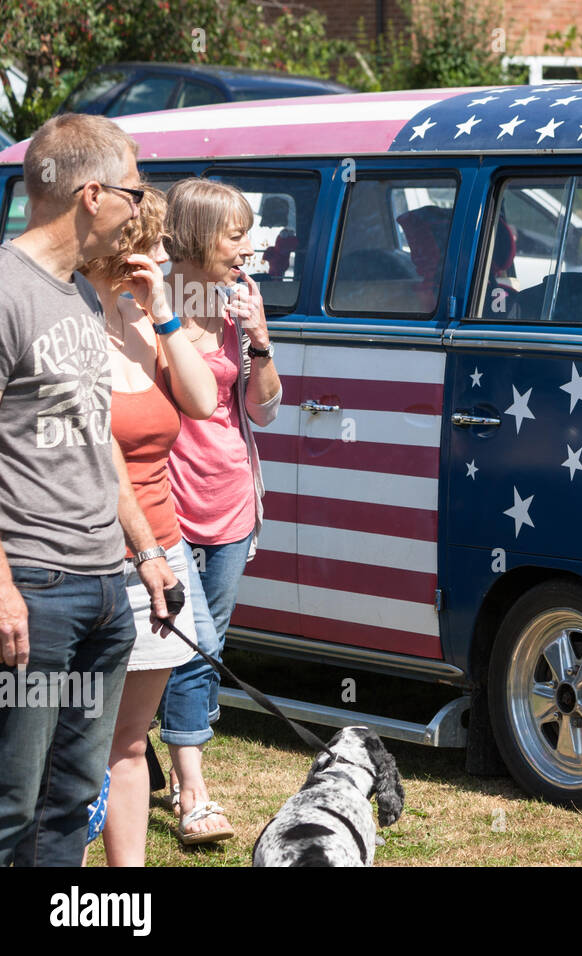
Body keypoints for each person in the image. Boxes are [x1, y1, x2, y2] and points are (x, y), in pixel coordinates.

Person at [0, 114, 172, 867]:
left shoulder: (77, 295)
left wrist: (144, 550)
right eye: (134, 192)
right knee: (12, 801)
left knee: (72, 800)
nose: (141, 211)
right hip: (34, 593)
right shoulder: (7, 290)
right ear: (93, 193)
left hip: (105, 589)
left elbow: (94, 437)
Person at [80, 184, 217, 865]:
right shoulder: (69, 324)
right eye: (156, 244)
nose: (166, 256)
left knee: (129, 743)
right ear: (124, 251)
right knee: (72, 741)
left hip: (162, 553)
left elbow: (201, 400)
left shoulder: (143, 321)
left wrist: (163, 312)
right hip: (93, 556)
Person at [157, 178, 281, 844]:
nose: (249, 246)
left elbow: (264, 407)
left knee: (207, 645)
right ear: (200, 236)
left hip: (231, 501)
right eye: (236, 234)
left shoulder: (241, 304)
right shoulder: (148, 307)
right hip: (167, 503)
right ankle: (194, 793)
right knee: (193, 644)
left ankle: (163, 752)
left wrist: (259, 340)